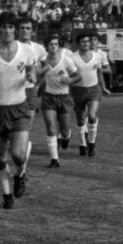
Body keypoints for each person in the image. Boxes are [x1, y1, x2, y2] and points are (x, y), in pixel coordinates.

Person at [0, 11, 40, 209]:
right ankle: (7, 196)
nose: (7, 31)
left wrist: (32, 76)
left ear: (15, 29)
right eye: (4, 27)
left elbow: (32, 71)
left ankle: (20, 175)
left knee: (18, 155)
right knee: (0, 158)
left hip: (19, 107)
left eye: (11, 27)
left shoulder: (27, 51)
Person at [40, 34, 81, 168]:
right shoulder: (43, 61)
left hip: (64, 97)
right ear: (47, 46)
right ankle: (54, 160)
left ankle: (66, 136)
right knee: (51, 127)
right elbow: (39, 76)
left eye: (56, 44)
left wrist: (70, 80)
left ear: (59, 46)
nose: (54, 47)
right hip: (48, 97)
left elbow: (78, 76)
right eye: (51, 44)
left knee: (64, 129)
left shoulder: (66, 60)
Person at [17, 16, 47, 181]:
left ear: (33, 31)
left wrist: (37, 78)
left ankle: (22, 170)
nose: (25, 31)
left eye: (28, 28)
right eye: (22, 28)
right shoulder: (12, 46)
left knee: (26, 129)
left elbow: (46, 66)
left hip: (29, 92)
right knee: (14, 133)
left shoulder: (38, 49)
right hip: (12, 93)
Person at [70, 32, 107, 157]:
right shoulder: (72, 57)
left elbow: (100, 73)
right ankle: (82, 144)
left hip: (94, 90)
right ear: (78, 44)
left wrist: (104, 87)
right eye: (83, 41)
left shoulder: (97, 56)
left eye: (87, 41)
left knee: (91, 115)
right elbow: (69, 75)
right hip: (78, 90)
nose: (86, 43)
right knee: (81, 119)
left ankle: (92, 144)